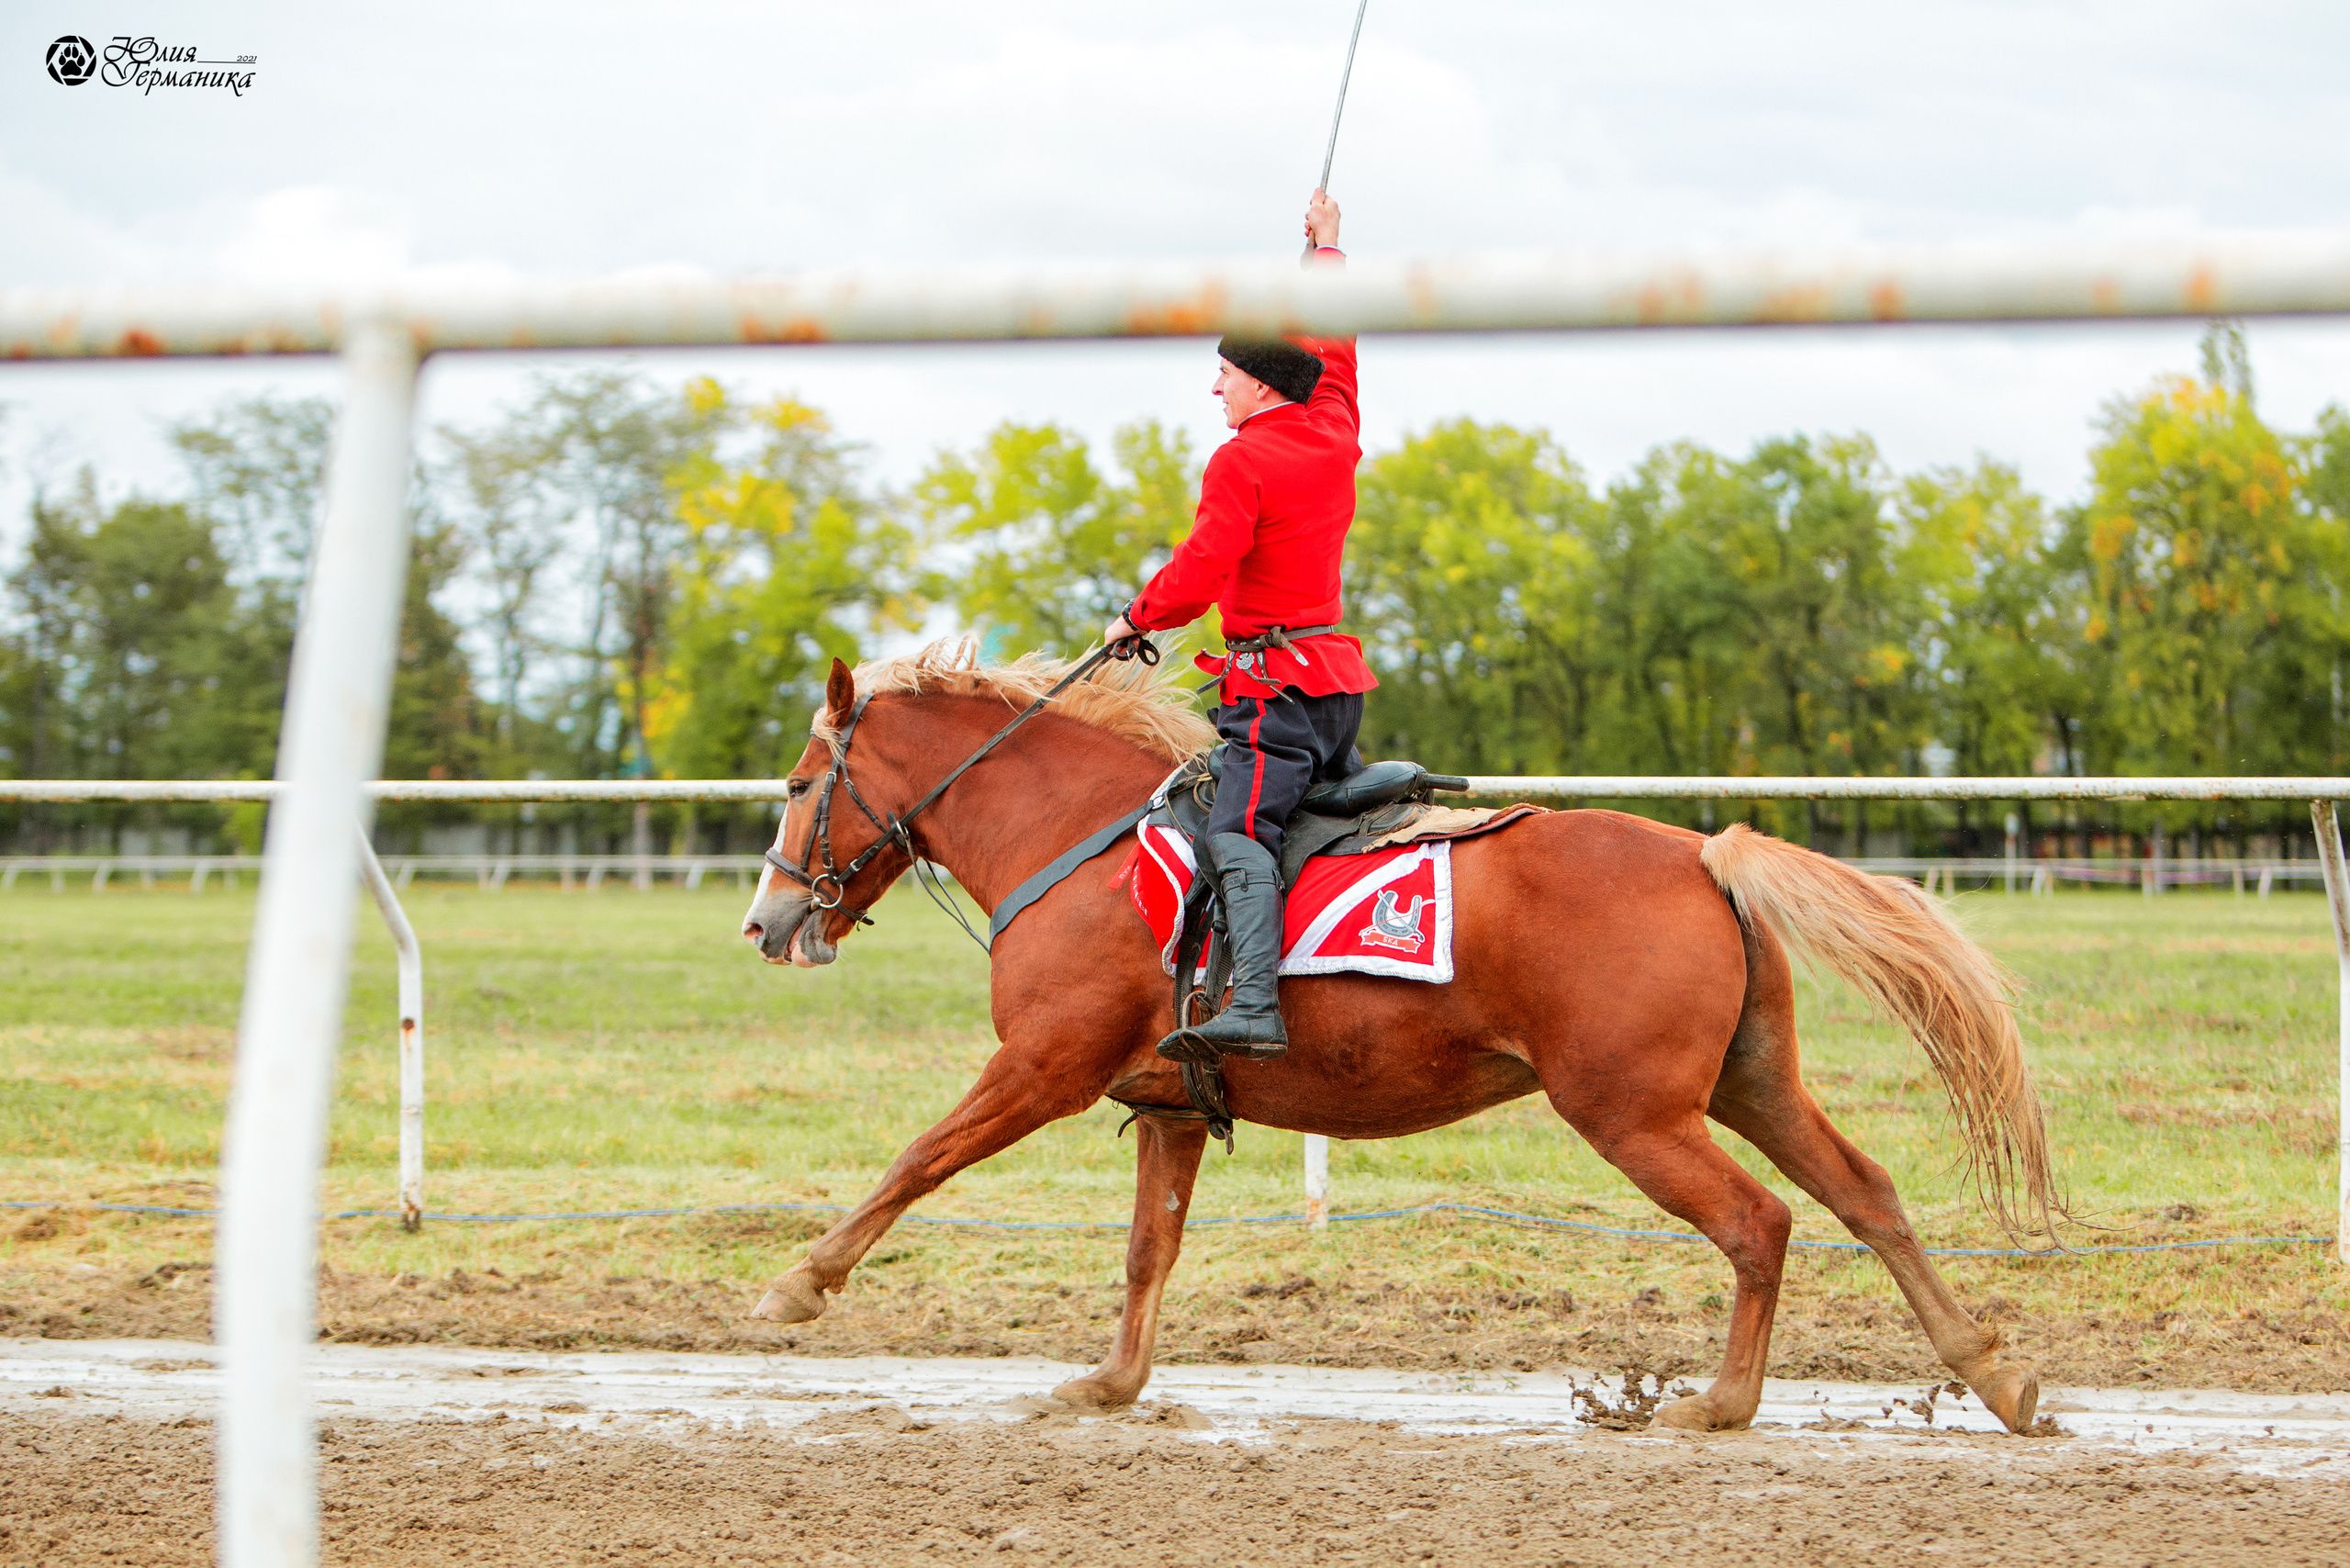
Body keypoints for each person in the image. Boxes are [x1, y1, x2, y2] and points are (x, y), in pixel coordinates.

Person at [1101, 188, 1376, 1063]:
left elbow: (1204, 568)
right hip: (1334, 692)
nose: (1214, 384)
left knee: (1235, 832)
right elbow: (1335, 345)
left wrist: (1134, 620)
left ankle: (1255, 1004)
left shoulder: (1243, 458)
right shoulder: (1334, 425)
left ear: (1259, 381)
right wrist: (1323, 256)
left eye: (1224, 370)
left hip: (1275, 698)